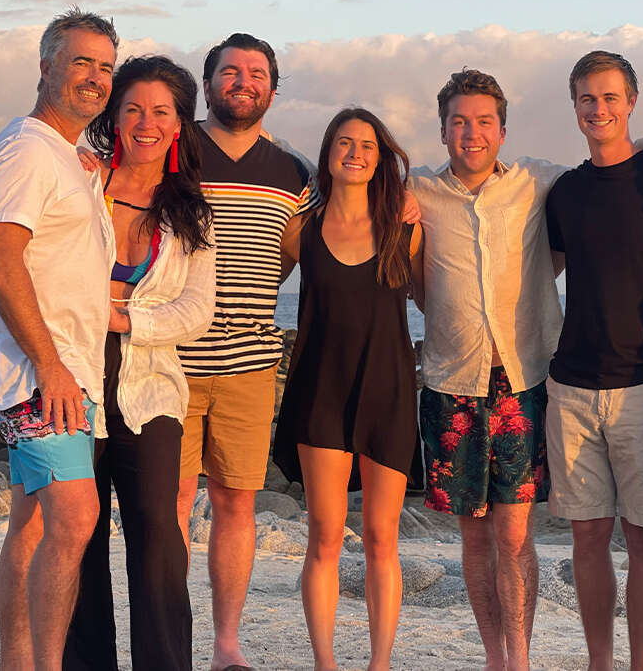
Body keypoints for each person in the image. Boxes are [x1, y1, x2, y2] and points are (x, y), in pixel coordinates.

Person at [410, 67, 643, 671]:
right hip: (449, 382)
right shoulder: (418, 191)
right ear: (442, 131)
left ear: (503, 129)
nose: (471, 133)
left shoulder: (540, 182)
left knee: (518, 537)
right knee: (475, 537)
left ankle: (528, 660)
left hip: (526, 379)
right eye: (459, 122)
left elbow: (613, 164)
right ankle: (498, 658)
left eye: (484, 121)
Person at [62, 56, 216, 670]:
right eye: (133, 109)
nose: (146, 123)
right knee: (78, 536)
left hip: (151, 389)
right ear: (114, 116)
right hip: (71, 379)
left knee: (158, 539)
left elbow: (195, 311)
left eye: (161, 111)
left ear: (179, 124)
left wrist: (121, 316)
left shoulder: (190, 210)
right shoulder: (82, 187)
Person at [0, 8, 117, 670]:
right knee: (76, 518)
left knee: (32, 526)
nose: (94, 78)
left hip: (63, 372)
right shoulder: (26, 148)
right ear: (46, 67)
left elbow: (63, 267)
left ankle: (19, 663)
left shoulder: (63, 156)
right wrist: (50, 364)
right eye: (81, 62)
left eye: (106, 67)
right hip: (41, 375)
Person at [171, 33, 318, 671]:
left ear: (272, 90)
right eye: (229, 72)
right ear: (207, 85)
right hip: (165, 363)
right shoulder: (171, 149)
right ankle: (168, 632)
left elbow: (293, 256)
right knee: (171, 503)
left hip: (250, 367)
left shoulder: (294, 174)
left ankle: (226, 644)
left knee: (235, 502)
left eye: (256, 73)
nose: (243, 81)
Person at [544, 51, 643, 671]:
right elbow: (535, 275)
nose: (597, 109)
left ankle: (641, 666)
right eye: (586, 99)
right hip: (571, 385)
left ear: (631, 101)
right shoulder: (565, 192)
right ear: (574, 106)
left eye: (609, 97)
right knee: (586, 538)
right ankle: (599, 663)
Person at [273, 107, 423, 671]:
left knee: (383, 538)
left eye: (366, 144)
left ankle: (379, 664)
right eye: (343, 142)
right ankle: (325, 663)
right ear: (328, 154)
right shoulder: (301, 229)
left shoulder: (404, 229)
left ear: (380, 157)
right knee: (324, 536)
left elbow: (438, 299)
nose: (354, 152)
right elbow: (258, 289)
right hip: (320, 392)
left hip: (387, 392)